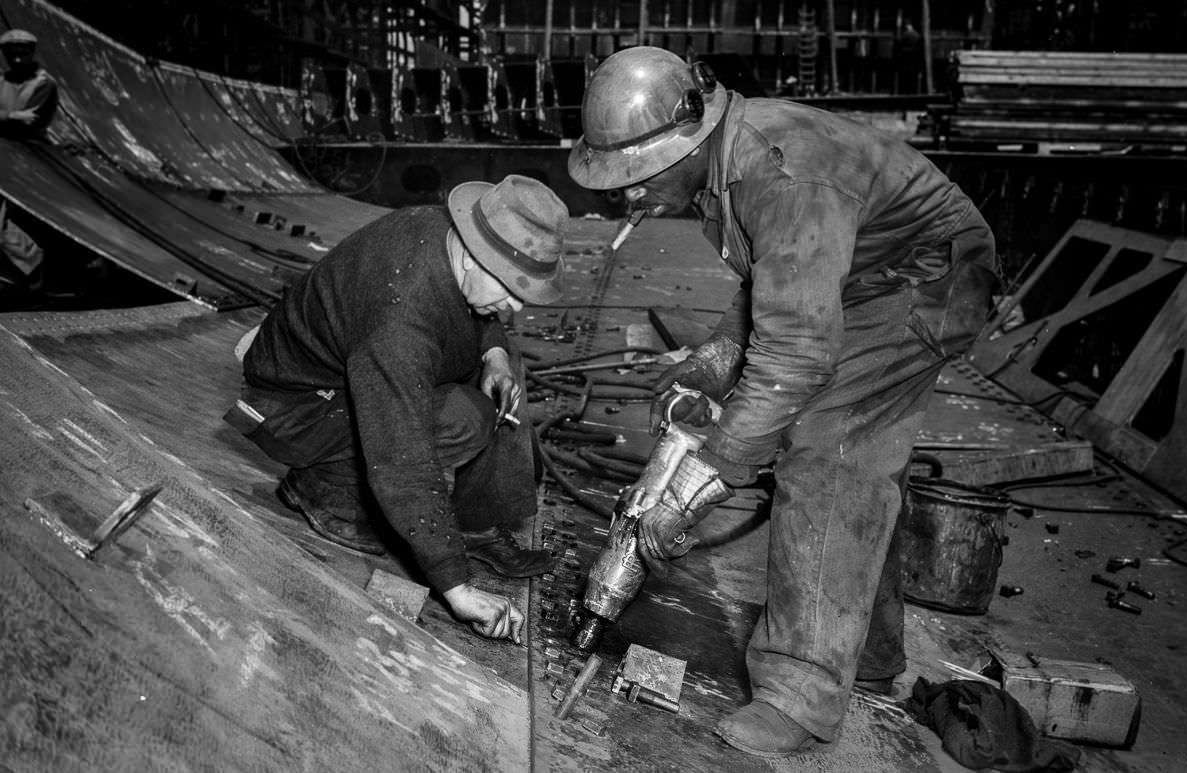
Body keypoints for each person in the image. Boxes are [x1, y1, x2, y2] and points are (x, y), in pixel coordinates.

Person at [568, 46, 996, 757]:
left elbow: (796, 353)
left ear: (687, 141)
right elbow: (780, 274)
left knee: (828, 451)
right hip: (864, 275)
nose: (627, 196)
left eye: (636, 177)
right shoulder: (726, 162)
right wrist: (714, 359)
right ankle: (871, 657)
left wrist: (693, 493)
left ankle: (801, 692)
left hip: (922, 285)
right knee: (854, 460)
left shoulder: (780, 169)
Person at [225, 175, 569, 644]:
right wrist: (457, 587)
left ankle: (475, 524)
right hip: (296, 407)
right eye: (511, 288)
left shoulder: (443, 233)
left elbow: (473, 313)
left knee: (502, 367)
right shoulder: (401, 315)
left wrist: (495, 354)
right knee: (462, 418)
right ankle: (326, 492)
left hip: (333, 375)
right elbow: (401, 456)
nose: (514, 307)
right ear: (472, 255)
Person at [0, 29, 59, 297]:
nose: (17, 60)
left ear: (31, 53)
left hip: (28, 159)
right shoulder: (2, 80)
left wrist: (6, 117)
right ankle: (26, 271)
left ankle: (33, 268)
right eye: (11, 55)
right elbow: (17, 118)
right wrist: (12, 116)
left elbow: (30, 121)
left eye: (22, 54)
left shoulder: (43, 83)